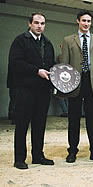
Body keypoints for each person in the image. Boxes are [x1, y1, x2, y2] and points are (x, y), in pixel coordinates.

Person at [8, 12, 55, 169]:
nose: (39, 26)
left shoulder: (47, 43)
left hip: (42, 91)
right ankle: (19, 159)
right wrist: (37, 71)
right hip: (24, 89)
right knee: (22, 124)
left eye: (42, 23)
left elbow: (51, 65)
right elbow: (16, 63)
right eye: (36, 23)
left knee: (39, 124)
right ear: (30, 24)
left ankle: (38, 156)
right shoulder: (20, 41)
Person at [60, 10, 93, 163]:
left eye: (89, 21)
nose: (86, 23)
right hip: (74, 83)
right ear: (78, 21)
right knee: (73, 119)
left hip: (92, 84)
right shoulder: (68, 40)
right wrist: (65, 85)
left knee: (92, 120)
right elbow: (65, 65)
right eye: (84, 21)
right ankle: (72, 151)